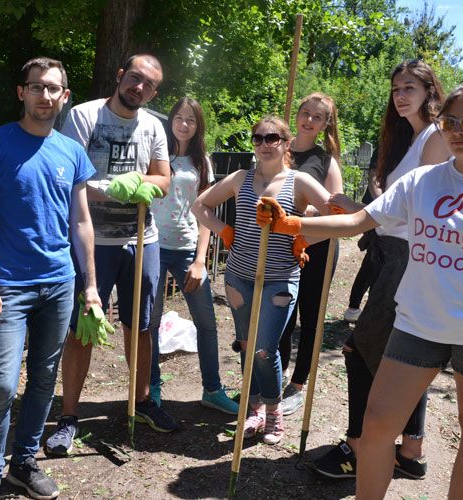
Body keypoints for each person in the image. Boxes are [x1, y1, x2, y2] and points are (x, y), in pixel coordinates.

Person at [259, 81, 463, 499]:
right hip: (417, 324)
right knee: (377, 424)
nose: (457, 129)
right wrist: (294, 225)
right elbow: (358, 222)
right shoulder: (423, 181)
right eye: (449, 121)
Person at [309, 59, 451, 479]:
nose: (401, 95)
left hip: (409, 259)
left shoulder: (435, 137)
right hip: (392, 254)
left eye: (409, 87)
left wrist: (366, 213)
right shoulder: (411, 138)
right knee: (405, 354)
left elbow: (429, 211)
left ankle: (358, 448)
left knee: (360, 350)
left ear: (429, 91)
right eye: (396, 89)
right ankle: (410, 452)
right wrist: (367, 208)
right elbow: (402, 204)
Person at [0, 57, 98, 500]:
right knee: (2, 382)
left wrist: (91, 286)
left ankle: (23, 462)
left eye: (53, 88)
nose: (45, 95)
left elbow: (81, 223)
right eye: (37, 87)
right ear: (22, 91)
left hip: (58, 283)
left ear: (64, 96)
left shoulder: (72, 152)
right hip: (8, 286)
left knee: (43, 378)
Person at [46, 54, 174, 455]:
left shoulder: (153, 125)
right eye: (135, 78)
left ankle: (140, 401)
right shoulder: (84, 118)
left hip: (141, 238)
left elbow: (163, 180)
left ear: (154, 91)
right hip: (92, 241)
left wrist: (143, 184)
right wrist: (116, 186)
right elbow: (70, 176)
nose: (140, 87)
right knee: (82, 330)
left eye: (149, 84)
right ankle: (69, 415)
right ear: (120, 76)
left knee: (141, 326)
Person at [192, 115, 331, 444]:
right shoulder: (241, 178)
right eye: (258, 138)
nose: (264, 144)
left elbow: (334, 215)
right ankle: (254, 408)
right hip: (239, 276)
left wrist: (301, 234)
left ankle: (273, 410)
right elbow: (200, 206)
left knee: (265, 349)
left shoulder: (298, 182)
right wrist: (225, 231)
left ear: (285, 144)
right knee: (245, 345)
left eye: (272, 138)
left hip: (279, 279)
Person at [147, 97, 238, 415]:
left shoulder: (203, 162)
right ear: (170, 120)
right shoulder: (156, 155)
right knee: (151, 323)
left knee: (207, 323)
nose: (184, 124)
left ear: (198, 127)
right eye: (179, 118)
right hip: (154, 247)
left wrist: (201, 260)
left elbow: (205, 212)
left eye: (191, 120)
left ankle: (212, 389)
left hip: (187, 251)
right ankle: (151, 388)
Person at [277, 92, 344, 416]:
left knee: (310, 315)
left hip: (317, 248)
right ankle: (277, 374)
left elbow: (337, 210)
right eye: (305, 112)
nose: (308, 120)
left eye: (317, 117)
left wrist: (303, 227)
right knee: (280, 313)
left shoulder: (326, 161)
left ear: (325, 124)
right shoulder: (279, 150)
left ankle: (299, 384)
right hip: (279, 248)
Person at [343, 148, 381, 324]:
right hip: (378, 208)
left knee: (374, 262)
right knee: (373, 259)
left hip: (387, 211)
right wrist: (383, 207)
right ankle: (356, 308)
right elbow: (374, 174)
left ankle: (361, 309)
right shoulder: (392, 136)